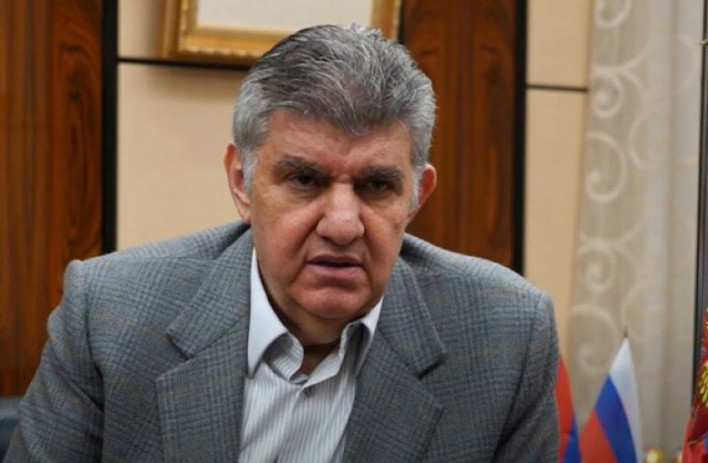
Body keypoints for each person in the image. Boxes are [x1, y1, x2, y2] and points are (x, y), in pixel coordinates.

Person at [5, 24, 558, 462]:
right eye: (304, 180)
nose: (342, 225)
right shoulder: (110, 315)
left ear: (416, 196)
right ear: (241, 183)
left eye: (376, 186)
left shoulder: (506, 336)